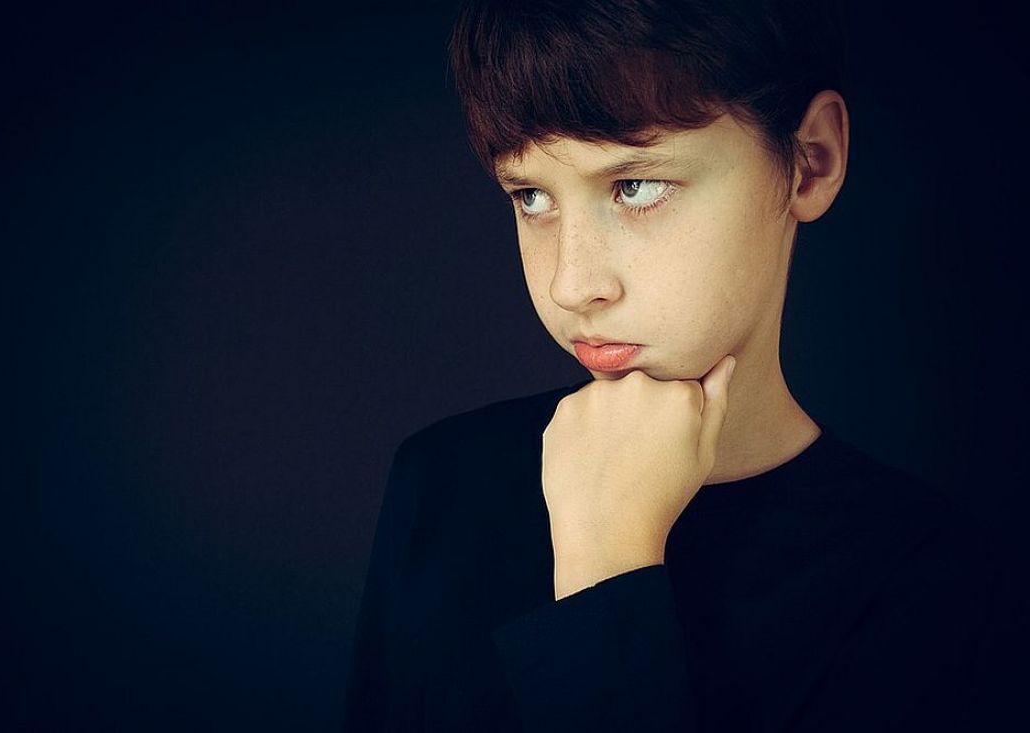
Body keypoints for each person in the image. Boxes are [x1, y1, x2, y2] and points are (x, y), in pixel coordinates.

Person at [343, 1, 1020, 730]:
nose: (572, 283)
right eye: (532, 196)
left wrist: (606, 570)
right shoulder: (439, 484)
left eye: (634, 187)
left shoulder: (940, 586)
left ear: (810, 161)